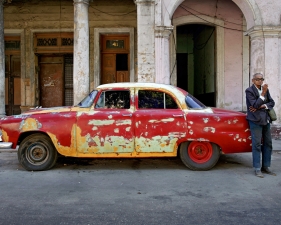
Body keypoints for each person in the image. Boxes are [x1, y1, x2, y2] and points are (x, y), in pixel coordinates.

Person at [245, 73, 276, 178]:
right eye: (257, 79)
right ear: (253, 80)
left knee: (268, 144)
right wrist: (262, 94)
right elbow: (254, 105)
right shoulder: (249, 91)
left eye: (261, 79)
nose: (260, 81)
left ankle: (266, 166)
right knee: (257, 144)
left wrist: (262, 106)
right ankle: (257, 168)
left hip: (266, 120)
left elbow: (272, 102)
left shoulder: (265, 90)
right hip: (255, 120)